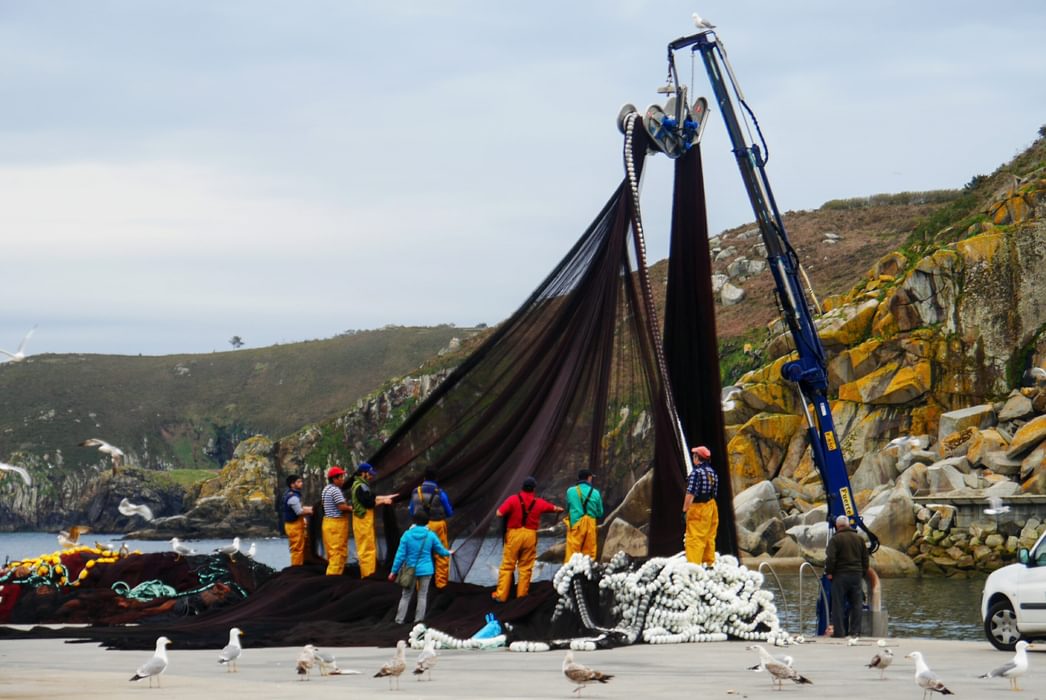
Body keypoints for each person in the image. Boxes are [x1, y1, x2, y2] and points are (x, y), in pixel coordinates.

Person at [492, 476, 564, 602]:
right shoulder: (539, 502)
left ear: (522, 487)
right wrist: (559, 509)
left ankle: (501, 595)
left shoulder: (513, 499)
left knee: (508, 566)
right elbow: (555, 509)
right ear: (533, 489)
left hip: (514, 535)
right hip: (530, 536)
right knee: (525, 568)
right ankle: (521, 596)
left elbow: (499, 513)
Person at [388, 511, 453, 625]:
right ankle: (418, 621)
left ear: (414, 521)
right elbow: (440, 550)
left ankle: (399, 620)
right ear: (427, 522)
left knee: (406, 596)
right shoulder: (431, 535)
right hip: (426, 570)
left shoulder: (407, 535)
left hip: (410, 570)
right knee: (422, 595)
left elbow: (400, 555)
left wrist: (393, 571)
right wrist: (449, 552)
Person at [408, 468, 454, 588]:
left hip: (420, 527)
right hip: (437, 524)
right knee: (441, 555)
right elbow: (449, 512)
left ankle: (420, 586)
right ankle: (441, 585)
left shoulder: (415, 492)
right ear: (436, 479)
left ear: (424, 478)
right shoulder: (440, 493)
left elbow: (412, 510)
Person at [825, 514, 870, 638]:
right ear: (848, 525)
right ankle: (855, 632)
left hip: (840, 575)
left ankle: (839, 632)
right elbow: (865, 559)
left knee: (838, 604)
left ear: (837, 526)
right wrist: (862, 573)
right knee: (857, 604)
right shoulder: (859, 539)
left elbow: (831, 558)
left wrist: (829, 572)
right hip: (856, 575)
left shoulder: (835, 539)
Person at [349, 462, 393, 578]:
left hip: (362, 521)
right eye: (369, 474)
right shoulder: (360, 486)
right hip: (363, 521)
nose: (371, 476)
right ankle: (368, 576)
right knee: (366, 549)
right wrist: (384, 501)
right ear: (363, 473)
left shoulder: (360, 485)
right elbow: (369, 503)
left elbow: (372, 497)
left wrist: (386, 497)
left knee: (367, 548)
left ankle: (369, 575)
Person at [682, 445, 719, 565]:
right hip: (712, 506)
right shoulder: (712, 473)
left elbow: (690, 493)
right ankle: (709, 563)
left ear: (697, 457)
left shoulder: (696, 473)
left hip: (699, 508)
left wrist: (685, 510)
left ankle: (694, 566)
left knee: (694, 538)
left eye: (694, 455)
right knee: (709, 537)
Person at [564, 469, 604, 562]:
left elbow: (568, 507)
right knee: (589, 553)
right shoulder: (595, 493)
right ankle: (586, 573)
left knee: (572, 552)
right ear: (589, 478)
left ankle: (570, 572)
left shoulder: (570, 491)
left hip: (575, 524)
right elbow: (600, 512)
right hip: (590, 525)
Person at [320, 466, 351, 575]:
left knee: (332, 553)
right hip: (336, 523)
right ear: (334, 479)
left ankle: (335, 577)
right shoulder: (335, 490)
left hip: (327, 522)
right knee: (338, 553)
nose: (343, 479)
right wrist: (352, 508)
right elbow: (342, 507)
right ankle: (332, 579)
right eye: (341, 477)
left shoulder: (326, 489)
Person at [282, 474, 313, 566]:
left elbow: (299, 508)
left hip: (295, 525)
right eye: (298, 482)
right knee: (297, 549)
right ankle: (296, 569)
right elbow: (299, 511)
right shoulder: (293, 497)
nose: (301, 483)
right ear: (292, 485)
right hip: (294, 526)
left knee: (301, 546)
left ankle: (302, 565)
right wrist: (310, 511)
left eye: (301, 481)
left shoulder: (290, 494)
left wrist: (310, 508)